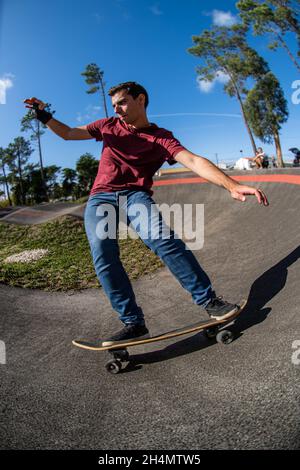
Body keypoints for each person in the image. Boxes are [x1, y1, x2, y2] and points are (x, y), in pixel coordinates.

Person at [24, 82, 269, 346]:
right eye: (115, 104)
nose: (117, 108)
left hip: (134, 196)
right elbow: (70, 133)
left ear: (140, 100)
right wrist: (43, 115)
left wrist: (231, 185)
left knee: (163, 240)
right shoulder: (107, 125)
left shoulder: (161, 137)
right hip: (100, 198)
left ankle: (210, 302)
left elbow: (194, 161)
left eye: (122, 102)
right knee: (103, 253)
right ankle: (133, 323)